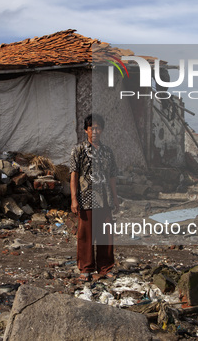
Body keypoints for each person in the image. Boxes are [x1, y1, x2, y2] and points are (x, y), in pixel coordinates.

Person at [70, 113, 119, 281]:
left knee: (106, 233)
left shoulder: (107, 152)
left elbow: (112, 176)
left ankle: (105, 267)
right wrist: (74, 199)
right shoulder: (79, 150)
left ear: (102, 130)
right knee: (86, 235)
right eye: (92, 128)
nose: (95, 131)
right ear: (86, 130)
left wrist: (115, 198)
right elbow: (74, 176)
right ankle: (86, 268)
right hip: (86, 198)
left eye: (98, 128)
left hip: (105, 199)